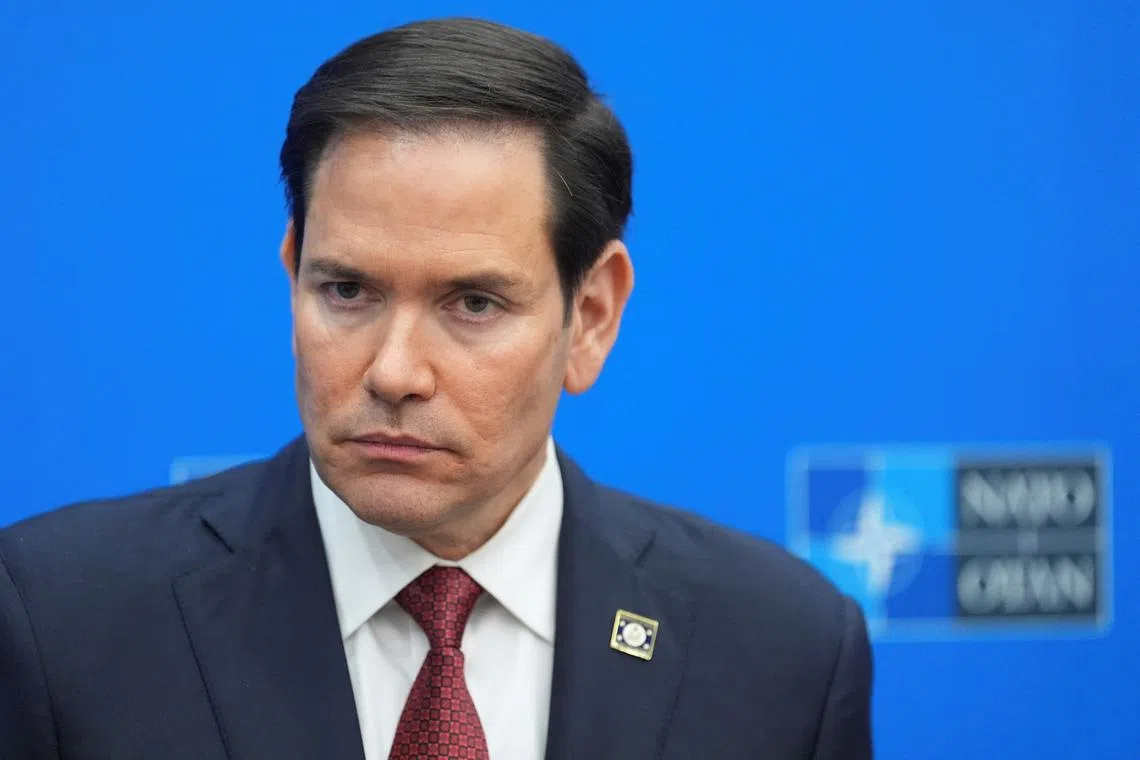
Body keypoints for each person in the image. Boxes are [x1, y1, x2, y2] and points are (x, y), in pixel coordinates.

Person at [0, 17, 872, 760]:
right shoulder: (56, 620)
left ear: (593, 315)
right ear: (291, 272)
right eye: (347, 291)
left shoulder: (782, 650)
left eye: (474, 303)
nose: (393, 372)